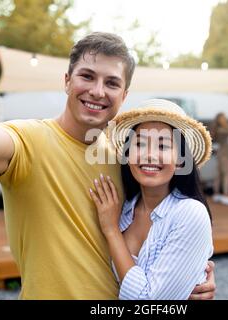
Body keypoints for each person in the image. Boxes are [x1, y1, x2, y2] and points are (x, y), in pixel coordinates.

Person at [0, 32, 215, 299]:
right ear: (67, 80)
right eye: (87, 76)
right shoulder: (28, 142)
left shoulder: (126, 159)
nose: (98, 91)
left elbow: (155, 250)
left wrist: (188, 283)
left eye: (111, 83)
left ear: (124, 96)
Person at [89, 99, 213, 299]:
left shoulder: (190, 213)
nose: (150, 155)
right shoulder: (123, 209)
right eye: (140, 144)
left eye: (163, 146)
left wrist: (111, 230)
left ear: (181, 161)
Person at [210, 112, 228, 206]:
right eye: (222, 118)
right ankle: (226, 195)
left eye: (225, 117)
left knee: (219, 174)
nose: (224, 119)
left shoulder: (220, 128)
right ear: (218, 120)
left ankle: (216, 194)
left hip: (223, 153)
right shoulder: (220, 129)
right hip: (224, 154)